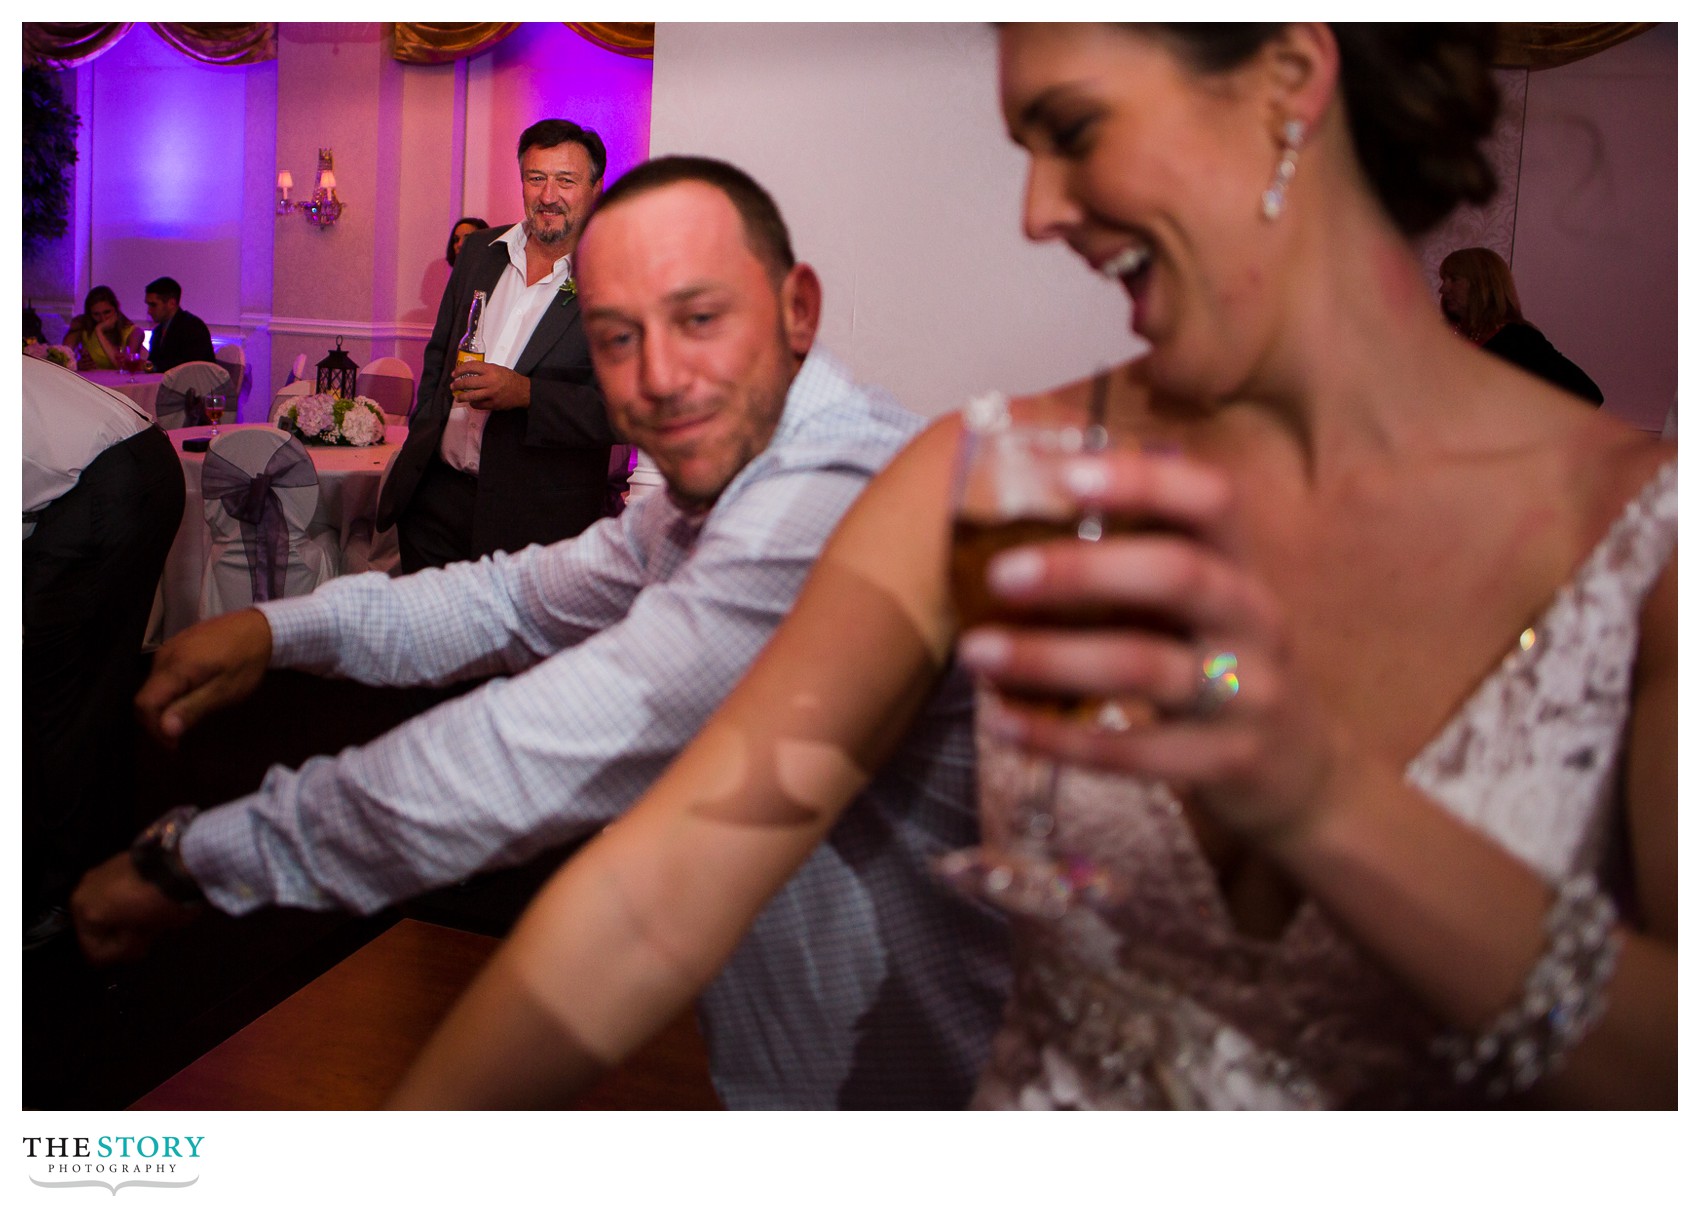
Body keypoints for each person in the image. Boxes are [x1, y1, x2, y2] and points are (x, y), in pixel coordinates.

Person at [392, 24, 1674, 1111]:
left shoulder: (1642, 540)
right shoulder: (977, 475)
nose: (1037, 211)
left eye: (1072, 130)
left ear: (1289, 81)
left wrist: (1315, 800)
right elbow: (663, 885)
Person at [71, 156, 1007, 1110]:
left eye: (699, 319)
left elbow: (516, 760)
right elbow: (510, 601)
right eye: (614, 336)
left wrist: (193, 862)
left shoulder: (824, 500)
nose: (655, 379)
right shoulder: (727, 481)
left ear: (797, 309)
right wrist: (276, 629)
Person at [376, 120, 617, 572]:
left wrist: (526, 394)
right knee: (427, 638)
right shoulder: (480, 251)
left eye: (566, 180)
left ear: (595, 187)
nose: (548, 196)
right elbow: (439, 353)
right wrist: (423, 435)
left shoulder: (619, 278)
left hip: (535, 522)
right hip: (435, 504)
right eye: (535, 178)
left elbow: (628, 410)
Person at [24, 356, 186, 948]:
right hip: (140, 460)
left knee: (56, 692)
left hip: (105, 488)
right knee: (92, 683)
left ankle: (62, 893)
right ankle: (101, 857)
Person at [1439, 246, 1604, 405]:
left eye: (1453, 280)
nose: (1443, 288)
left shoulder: (1518, 340)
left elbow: (1587, 395)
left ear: (1482, 285)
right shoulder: (1446, 334)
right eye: (1444, 280)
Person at [143, 277, 216, 373]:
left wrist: (151, 366)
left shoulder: (193, 327)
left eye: (153, 305)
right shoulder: (158, 331)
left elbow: (191, 365)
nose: (149, 311)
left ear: (172, 303)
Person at [64, 286, 145, 372]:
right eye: (96, 314)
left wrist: (99, 331)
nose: (103, 319)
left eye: (107, 312)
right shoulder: (82, 326)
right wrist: (77, 364)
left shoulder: (134, 332)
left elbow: (123, 367)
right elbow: (63, 358)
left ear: (116, 309)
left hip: (121, 383)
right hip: (90, 381)